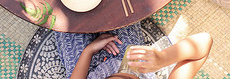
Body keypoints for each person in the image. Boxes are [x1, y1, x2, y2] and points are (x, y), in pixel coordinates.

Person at [55, 23, 212, 78]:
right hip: (132, 61)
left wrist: (88, 51)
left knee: (65, 19)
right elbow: (204, 42)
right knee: (121, 4)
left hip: (86, 71)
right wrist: (162, 59)